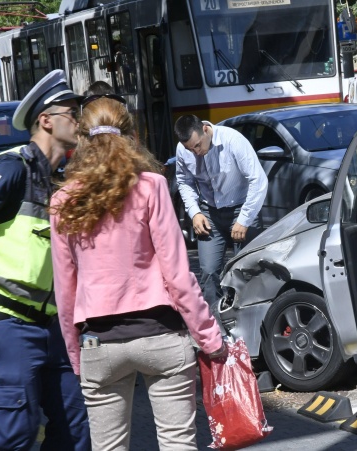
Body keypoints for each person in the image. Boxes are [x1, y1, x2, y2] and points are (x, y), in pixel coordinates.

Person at [50, 96, 227, 450]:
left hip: (98, 341)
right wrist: (210, 338)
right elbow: (178, 273)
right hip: (161, 334)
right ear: (132, 137)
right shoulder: (151, 186)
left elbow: (65, 289)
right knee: (178, 442)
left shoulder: (64, 200)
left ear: (83, 140)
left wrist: (75, 355)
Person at [0, 69, 91, 449]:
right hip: (4, 321)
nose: (80, 121)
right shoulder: (12, 166)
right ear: (46, 120)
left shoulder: (58, 177)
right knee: (11, 433)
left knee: (76, 432)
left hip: (49, 326)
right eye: (72, 112)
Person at [175, 115, 267, 309]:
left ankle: (251, 319)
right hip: (209, 211)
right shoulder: (183, 150)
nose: (196, 152)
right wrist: (195, 212)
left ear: (206, 130)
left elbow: (258, 180)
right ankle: (216, 328)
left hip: (242, 208)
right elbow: (184, 182)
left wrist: (244, 219)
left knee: (248, 270)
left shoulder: (232, 140)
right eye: (190, 149)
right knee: (208, 272)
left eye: (198, 145)